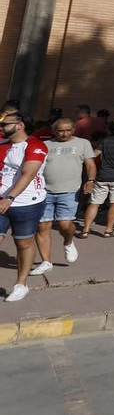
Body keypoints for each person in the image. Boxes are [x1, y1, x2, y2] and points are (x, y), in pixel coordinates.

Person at [0, 114, 48, 302]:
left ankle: (21, 284)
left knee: (23, 243)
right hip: (2, 200)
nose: (2, 127)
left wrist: (10, 198)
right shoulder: (3, 144)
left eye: (5, 124)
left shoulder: (36, 145)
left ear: (19, 126)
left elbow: (28, 174)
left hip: (28, 202)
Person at [39, 118, 95, 269]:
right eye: (61, 131)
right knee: (42, 226)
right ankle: (46, 262)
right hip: (45, 191)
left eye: (68, 130)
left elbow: (90, 164)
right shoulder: (45, 145)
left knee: (64, 225)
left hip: (70, 190)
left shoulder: (83, 143)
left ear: (73, 130)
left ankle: (68, 242)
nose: (65, 134)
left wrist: (90, 180)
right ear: (54, 131)